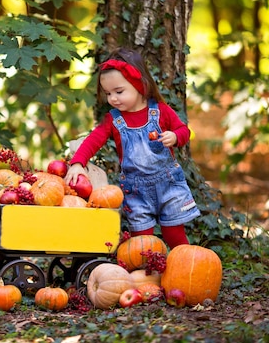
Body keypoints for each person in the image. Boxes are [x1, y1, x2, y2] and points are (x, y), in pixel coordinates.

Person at [64, 47, 200, 248]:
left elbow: (183, 130)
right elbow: (92, 141)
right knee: (140, 242)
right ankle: (145, 273)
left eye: (119, 91)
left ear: (140, 85)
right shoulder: (113, 120)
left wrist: (175, 136)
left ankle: (186, 266)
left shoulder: (160, 111)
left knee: (175, 234)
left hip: (168, 184)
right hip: (136, 190)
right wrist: (77, 163)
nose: (113, 99)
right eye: (109, 93)